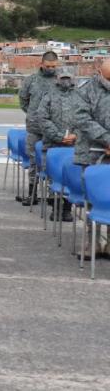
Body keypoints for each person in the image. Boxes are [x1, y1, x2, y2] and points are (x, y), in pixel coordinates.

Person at [73, 57, 110, 256]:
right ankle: (92, 241)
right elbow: (81, 117)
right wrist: (107, 139)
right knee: (91, 197)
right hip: (92, 152)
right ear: (101, 74)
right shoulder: (86, 90)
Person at [35, 65, 81, 223]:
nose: (66, 81)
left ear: (73, 79)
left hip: (74, 145)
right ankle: (55, 207)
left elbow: (85, 118)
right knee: (54, 177)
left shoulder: (81, 96)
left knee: (71, 177)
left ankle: (67, 209)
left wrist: (76, 136)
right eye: (63, 78)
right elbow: (42, 117)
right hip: (53, 144)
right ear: (57, 79)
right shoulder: (48, 95)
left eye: (69, 78)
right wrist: (59, 136)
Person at [17, 51, 60, 205]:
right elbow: (23, 100)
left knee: (52, 160)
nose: (51, 69)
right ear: (41, 64)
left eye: (54, 66)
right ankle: (32, 193)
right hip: (34, 127)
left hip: (54, 129)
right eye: (48, 66)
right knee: (34, 159)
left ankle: (51, 194)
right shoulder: (31, 80)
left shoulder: (60, 80)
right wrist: (33, 114)